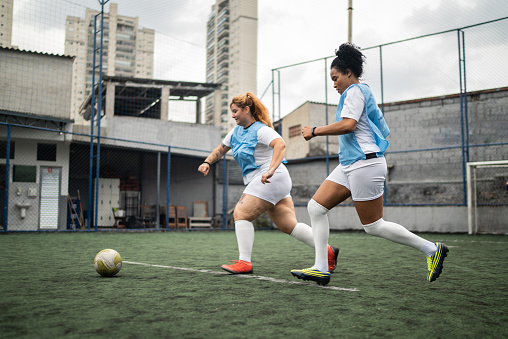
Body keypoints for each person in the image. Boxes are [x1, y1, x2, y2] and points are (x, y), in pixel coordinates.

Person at [290, 43, 449, 286]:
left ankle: (431, 249)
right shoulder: (355, 92)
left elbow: (348, 125)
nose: (334, 84)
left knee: (373, 226)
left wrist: (314, 130)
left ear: (348, 72)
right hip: (350, 164)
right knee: (316, 208)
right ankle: (321, 268)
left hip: (365, 164)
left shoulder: (354, 91)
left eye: (335, 78)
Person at [198, 92, 339, 275]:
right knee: (289, 225)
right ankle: (328, 252)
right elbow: (221, 149)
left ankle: (244, 262)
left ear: (246, 109)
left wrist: (271, 170)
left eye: (235, 111)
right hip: (272, 181)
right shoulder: (235, 132)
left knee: (241, 213)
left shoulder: (261, 129)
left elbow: (280, 145)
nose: (233, 115)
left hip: (271, 177)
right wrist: (207, 162)